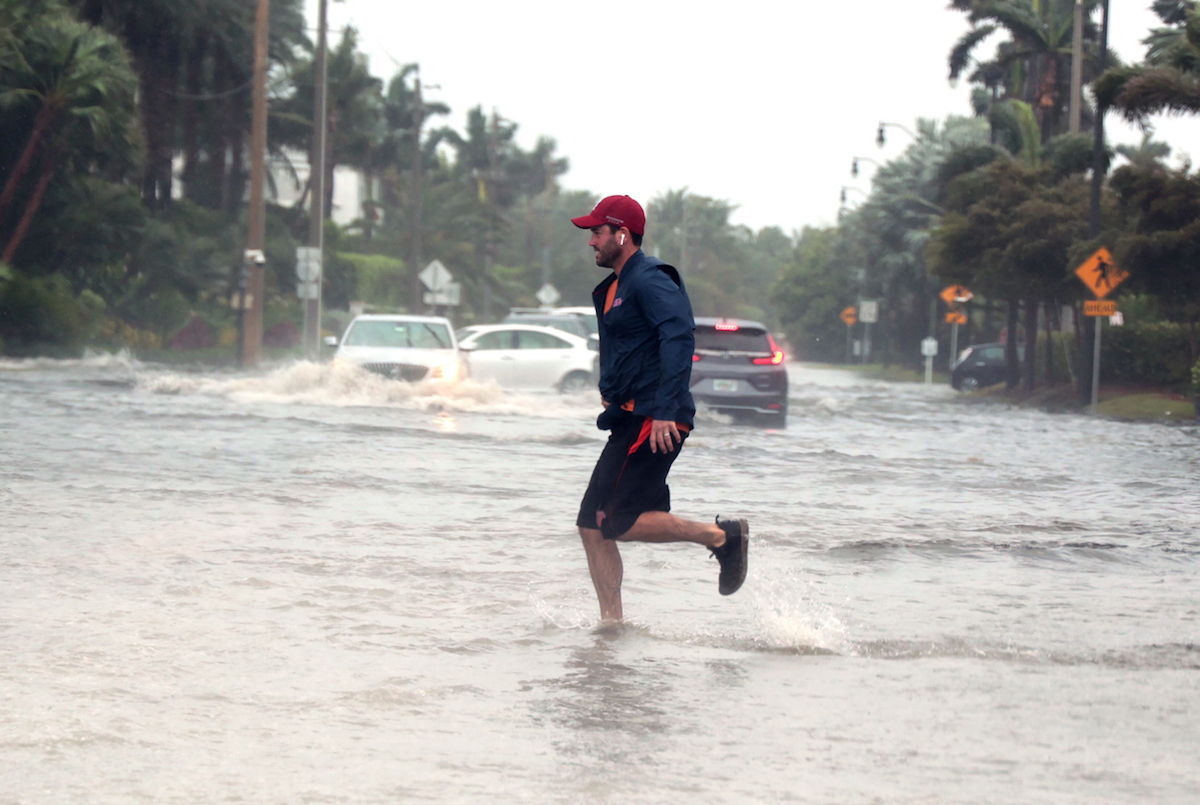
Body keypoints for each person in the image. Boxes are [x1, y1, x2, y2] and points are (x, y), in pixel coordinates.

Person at [570, 194, 748, 622]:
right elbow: (631, 346)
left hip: (656, 418)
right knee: (592, 525)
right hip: (631, 416)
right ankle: (612, 626)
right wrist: (611, 390)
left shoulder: (649, 279)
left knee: (617, 521)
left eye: (597, 232)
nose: (591, 241)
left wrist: (666, 409)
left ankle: (722, 537)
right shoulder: (617, 285)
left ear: (622, 234)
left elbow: (679, 335)